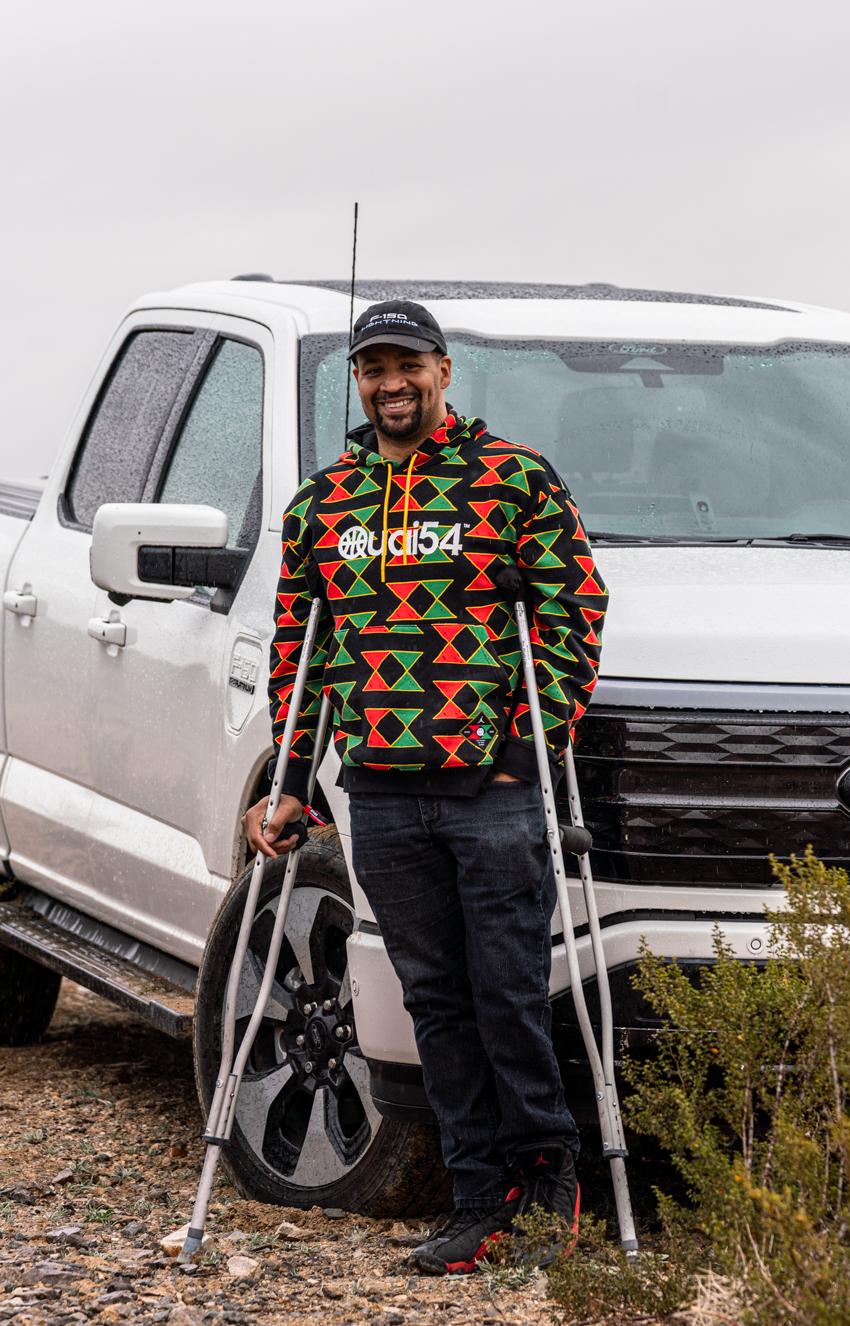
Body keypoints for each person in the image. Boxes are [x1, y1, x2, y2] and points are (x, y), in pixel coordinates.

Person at [243, 298, 608, 1275]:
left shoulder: (512, 481)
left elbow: (574, 614)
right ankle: (476, 1204)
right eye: (372, 368)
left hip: (491, 786)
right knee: (434, 1004)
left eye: (407, 364)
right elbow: (301, 657)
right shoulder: (324, 505)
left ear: (443, 371)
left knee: (506, 996)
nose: (390, 382)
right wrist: (294, 785)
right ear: (356, 381)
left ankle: (546, 1194)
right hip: (383, 793)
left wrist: (528, 746)